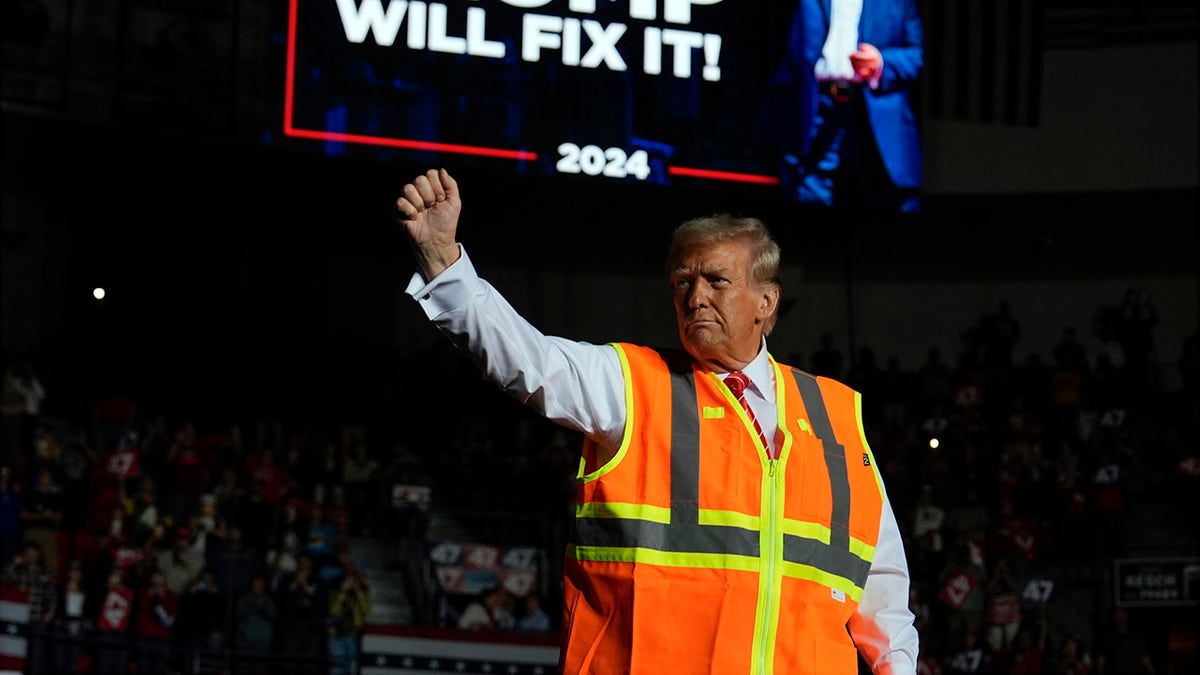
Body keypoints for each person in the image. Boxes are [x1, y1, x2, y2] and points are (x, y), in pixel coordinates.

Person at [392, 168, 919, 673]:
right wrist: (445, 264)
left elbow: (884, 588)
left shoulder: (837, 416)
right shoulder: (632, 384)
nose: (695, 298)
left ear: (766, 302)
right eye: (682, 282)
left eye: (716, 280)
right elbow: (528, 360)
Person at [759, 0, 924, 213]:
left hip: (874, 112)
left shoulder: (899, 3)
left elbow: (917, 54)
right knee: (806, 203)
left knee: (882, 206)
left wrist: (880, 62)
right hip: (814, 107)